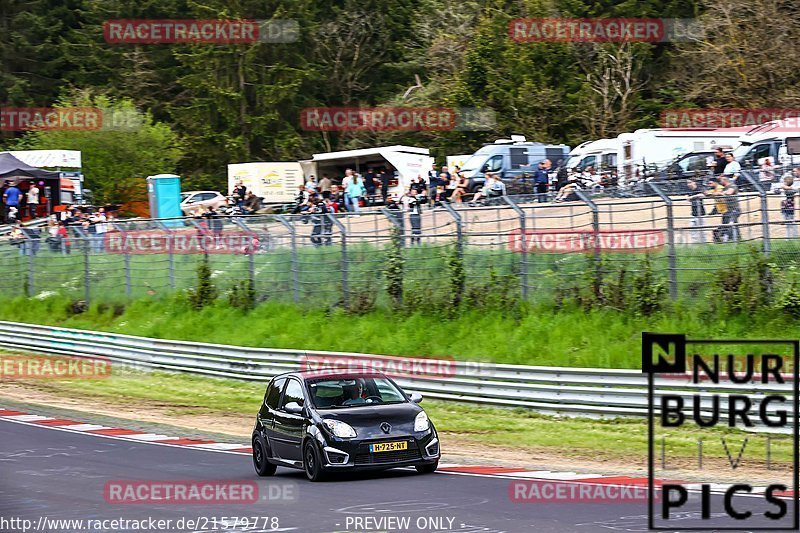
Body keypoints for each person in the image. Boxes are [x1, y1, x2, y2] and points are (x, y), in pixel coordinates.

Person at [686, 179, 706, 243]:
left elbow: (702, 195)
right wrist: (689, 197)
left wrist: (692, 197)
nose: (688, 184)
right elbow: (687, 198)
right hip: (693, 214)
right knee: (692, 230)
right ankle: (695, 244)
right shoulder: (690, 191)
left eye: (690, 182)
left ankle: (704, 244)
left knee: (702, 231)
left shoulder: (699, 188)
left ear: (694, 182)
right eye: (687, 183)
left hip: (701, 214)